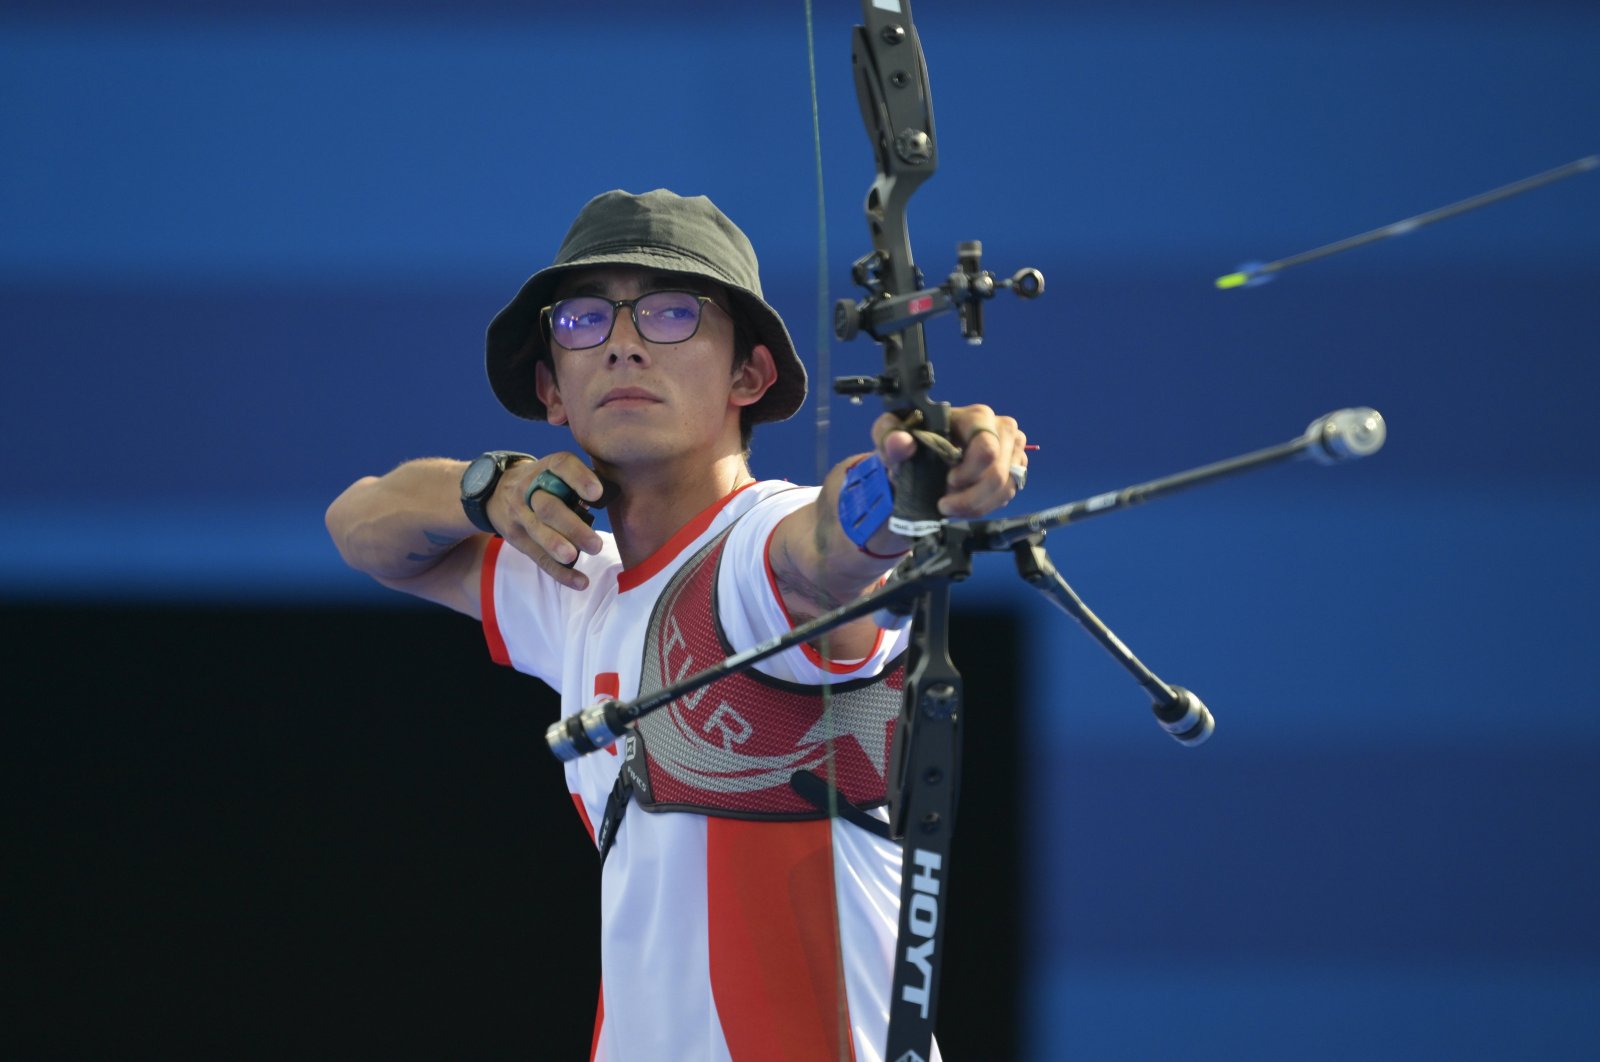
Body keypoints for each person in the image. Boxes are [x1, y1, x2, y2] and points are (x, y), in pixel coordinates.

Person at [326, 189, 1027, 1060]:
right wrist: (487, 487)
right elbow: (362, 527)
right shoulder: (576, 578)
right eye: (583, 319)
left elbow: (826, 549)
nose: (621, 340)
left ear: (749, 376)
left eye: (670, 312)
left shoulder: (752, 555)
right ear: (552, 387)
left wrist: (916, 478)